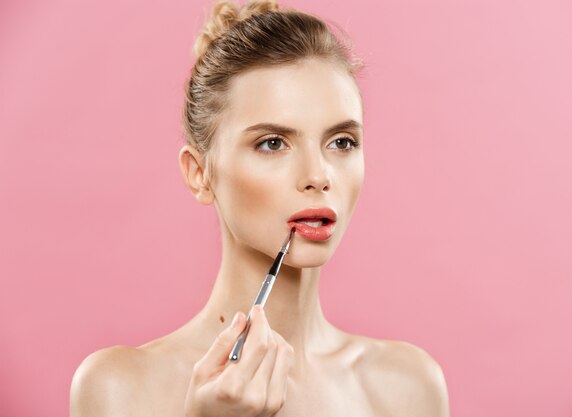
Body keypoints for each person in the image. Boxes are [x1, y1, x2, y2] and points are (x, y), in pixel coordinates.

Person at [70, 0, 450, 415]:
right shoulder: (121, 390)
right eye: (272, 143)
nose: (318, 175)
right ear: (200, 173)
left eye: (341, 142)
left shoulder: (407, 387)